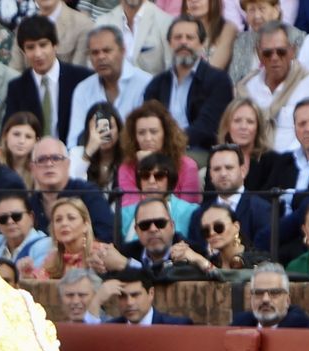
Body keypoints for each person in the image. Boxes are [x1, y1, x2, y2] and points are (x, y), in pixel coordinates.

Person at [141, 15, 233, 154]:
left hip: (201, 151)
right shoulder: (157, 84)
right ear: (169, 43)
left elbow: (207, 127)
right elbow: (148, 121)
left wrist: (171, 144)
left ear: (202, 44)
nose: (183, 42)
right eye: (178, 37)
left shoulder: (218, 81)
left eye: (190, 38)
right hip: (160, 151)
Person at [3, 15, 94, 146]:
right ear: (23, 52)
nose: (38, 54)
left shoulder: (81, 78)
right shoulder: (17, 87)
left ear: (55, 45)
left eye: (43, 45)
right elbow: (11, 130)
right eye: (30, 47)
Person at [236, 21, 309, 152]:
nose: (274, 58)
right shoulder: (247, 87)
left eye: (281, 52)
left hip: (293, 161)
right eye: (267, 53)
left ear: (292, 51)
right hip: (254, 160)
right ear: (259, 54)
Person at [29, 137, 117, 243]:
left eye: (56, 158)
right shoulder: (29, 203)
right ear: (32, 168)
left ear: (67, 163)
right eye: (42, 159)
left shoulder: (88, 193)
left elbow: (106, 236)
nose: (49, 164)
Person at [69, 26, 149, 141]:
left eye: (107, 51)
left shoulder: (145, 83)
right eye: (95, 53)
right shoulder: (83, 89)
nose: (101, 57)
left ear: (123, 50)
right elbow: (74, 140)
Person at [116, 101, 201, 207]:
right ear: (134, 137)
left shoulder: (188, 166)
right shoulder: (126, 168)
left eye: (153, 132)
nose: (148, 138)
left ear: (166, 134)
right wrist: (144, 166)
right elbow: (129, 211)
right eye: (141, 133)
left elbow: (188, 211)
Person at [189, 143, 272, 251]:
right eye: (217, 169)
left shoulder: (262, 209)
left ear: (243, 171)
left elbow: (264, 254)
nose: (223, 173)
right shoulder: (199, 214)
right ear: (210, 175)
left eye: (229, 168)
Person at [229, 261, 309, 326]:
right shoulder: (239, 325)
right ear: (251, 298)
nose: (265, 299)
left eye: (274, 293)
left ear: (287, 300)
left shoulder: (301, 328)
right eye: (258, 293)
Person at [0, 191, 51, 267]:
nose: (10, 221)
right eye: (3, 218)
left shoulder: (46, 245)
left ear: (31, 218)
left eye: (16, 216)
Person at [106, 266, 193, 323]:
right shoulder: (109, 329)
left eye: (135, 295)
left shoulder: (177, 326)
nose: (129, 302)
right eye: (123, 296)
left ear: (151, 293)